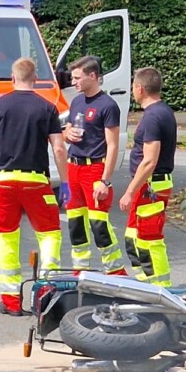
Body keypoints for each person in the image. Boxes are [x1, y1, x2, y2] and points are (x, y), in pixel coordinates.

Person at [0, 57, 69, 315]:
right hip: (35, 182)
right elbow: (59, 148)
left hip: (5, 182)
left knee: (7, 240)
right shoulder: (47, 108)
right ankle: (45, 297)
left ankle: (10, 302)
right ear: (36, 79)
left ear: (12, 78)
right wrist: (66, 183)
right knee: (50, 234)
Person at [62, 55, 126, 275]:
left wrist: (105, 181)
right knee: (75, 222)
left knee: (99, 224)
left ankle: (116, 271)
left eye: (77, 78)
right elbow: (69, 130)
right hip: (74, 166)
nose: (73, 82)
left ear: (93, 76)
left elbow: (113, 145)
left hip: (94, 169)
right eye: (73, 78)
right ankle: (80, 270)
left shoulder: (107, 105)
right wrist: (67, 134)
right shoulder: (77, 101)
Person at [118, 66, 177, 287]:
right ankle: (145, 285)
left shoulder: (153, 117)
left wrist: (129, 191)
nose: (133, 91)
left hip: (150, 187)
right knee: (134, 239)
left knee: (150, 241)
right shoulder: (161, 112)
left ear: (140, 88)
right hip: (149, 186)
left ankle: (161, 290)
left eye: (133, 86)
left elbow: (150, 161)